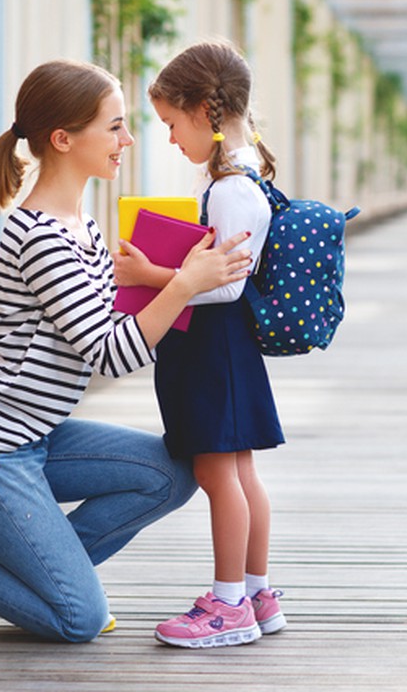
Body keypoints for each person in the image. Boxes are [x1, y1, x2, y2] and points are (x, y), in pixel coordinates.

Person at [0, 59, 253, 643]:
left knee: (172, 473)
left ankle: (48, 582)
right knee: (77, 619)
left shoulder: (82, 227)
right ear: (63, 139)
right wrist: (185, 283)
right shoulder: (41, 236)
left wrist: (166, 275)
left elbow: (109, 322)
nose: (129, 139)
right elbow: (110, 353)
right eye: (114, 126)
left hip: (35, 437)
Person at [112, 40, 286, 649]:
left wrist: (148, 277)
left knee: (220, 477)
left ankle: (229, 603)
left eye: (170, 123)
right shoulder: (240, 179)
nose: (168, 138)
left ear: (205, 110)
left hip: (211, 351)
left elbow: (223, 287)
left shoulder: (230, 188)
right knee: (239, 474)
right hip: (224, 353)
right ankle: (256, 592)